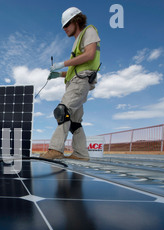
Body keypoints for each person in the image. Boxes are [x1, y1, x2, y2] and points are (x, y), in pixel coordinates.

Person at [41, 7, 100, 161]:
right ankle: (81, 154)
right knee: (74, 122)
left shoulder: (89, 31)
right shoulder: (76, 42)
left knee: (62, 111)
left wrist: (63, 63)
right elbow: (75, 70)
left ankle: (56, 149)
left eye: (66, 25)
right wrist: (58, 74)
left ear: (76, 20)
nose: (64, 29)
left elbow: (90, 55)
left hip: (80, 82)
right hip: (76, 81)